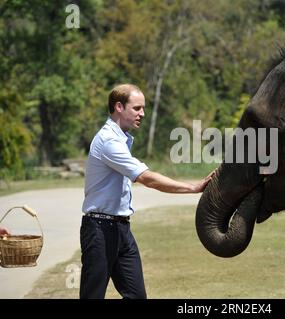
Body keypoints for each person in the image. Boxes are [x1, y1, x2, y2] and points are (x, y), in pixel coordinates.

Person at [80, 83, 215, 299]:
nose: (142, 113)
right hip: (99, 230)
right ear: (118, 107)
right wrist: (192, 187)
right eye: (137, 108)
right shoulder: (108, 141)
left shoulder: (122, 139)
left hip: (121, 229)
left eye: (143, 108)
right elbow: (147, 178)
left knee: (137, 296)